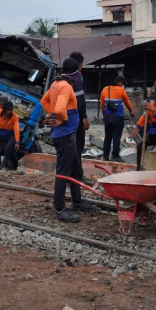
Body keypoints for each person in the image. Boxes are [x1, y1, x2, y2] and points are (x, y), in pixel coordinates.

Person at [41, 58, 98, 222]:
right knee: (64, 173)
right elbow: (59, 109)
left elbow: (44, 101)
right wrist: (61, 118)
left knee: (75, 170)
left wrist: (53, 114)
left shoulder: (55, 84)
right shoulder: (66, 87)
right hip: (65, 134)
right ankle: (60, 208)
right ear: (76, 73)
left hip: (67, 134)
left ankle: (77, 201)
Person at [100, 74, 134, 161]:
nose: (123, 86)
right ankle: (115, 156)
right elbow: (127, 102)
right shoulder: (121, 90)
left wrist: (104, 115)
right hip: (118, 117)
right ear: (119, 83)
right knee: (116, 137)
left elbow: (102, 105)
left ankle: (105, 157)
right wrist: (131, 111)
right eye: (122, 84)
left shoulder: (104, 89)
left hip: (108, 117)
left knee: (108, 137)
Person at [69, 52, 90, 182]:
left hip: (66, 119)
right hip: (76, 117)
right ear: (80, 64)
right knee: (78, 146)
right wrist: (84, 117)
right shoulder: (78, 77)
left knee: (69, 147)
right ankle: (77, 176)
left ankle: (67, 175)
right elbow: (80, 100)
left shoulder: (61, 79)